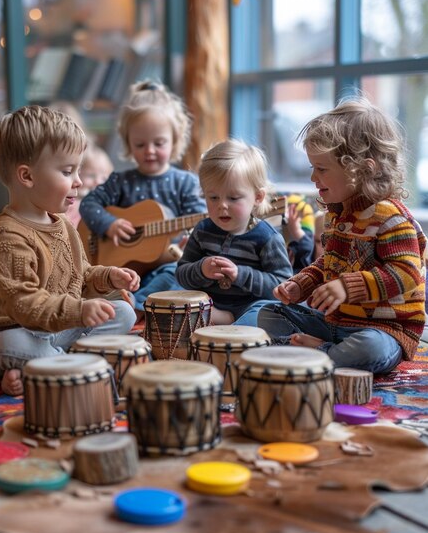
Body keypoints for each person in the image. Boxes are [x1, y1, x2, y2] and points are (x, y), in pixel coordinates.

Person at [0, 105, 139, 396]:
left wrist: (108, 277)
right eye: (67, 171)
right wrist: (80, 310)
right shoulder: (7, 236)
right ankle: (53, 363)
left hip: (55, 329)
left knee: (123, 312)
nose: (79, 182)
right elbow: (24, 304)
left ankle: (43, 366)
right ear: (27, 176)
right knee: (19, 345)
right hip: (7, 333)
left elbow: (80, 274)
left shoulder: (62, 224)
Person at [257, 97, 426, 374]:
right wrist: (301, 285)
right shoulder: (337, 215)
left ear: (363, 169)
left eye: (321, 169)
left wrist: (348, 287)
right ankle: (323, 352)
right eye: (313, 167)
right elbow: (329, 264)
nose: (313, 178)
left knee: (371, 350)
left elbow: (407, 273)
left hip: (384, 330)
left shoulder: (391, 217)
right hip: (335, 323)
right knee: (269, 313)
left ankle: (315, 353)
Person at [79, 80, 206, 317]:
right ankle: (129, 301)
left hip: (165, 266)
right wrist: (109, 224)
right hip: (123, 267)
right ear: (128, 143)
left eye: (159, 143)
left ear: (175, 140)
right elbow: (88, 204)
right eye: (140, 144)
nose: (149, 150)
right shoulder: (120, 182)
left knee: (177, 275)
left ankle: (135, 305)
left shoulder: (185, 183)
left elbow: (199, 224)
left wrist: (188, 242)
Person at [175, 139, 293, 326]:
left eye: (233, 198)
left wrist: (240, 274)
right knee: (177, 308)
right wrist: (202, 269)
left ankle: (234, 326)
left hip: (252, 306)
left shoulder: (267, 237)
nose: (222, 205)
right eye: (213, 197)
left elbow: (283, 286)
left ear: (258, 197)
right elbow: (181, 274)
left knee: (268, 313)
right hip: (210, 305)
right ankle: (223, 321)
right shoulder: (203, 230)